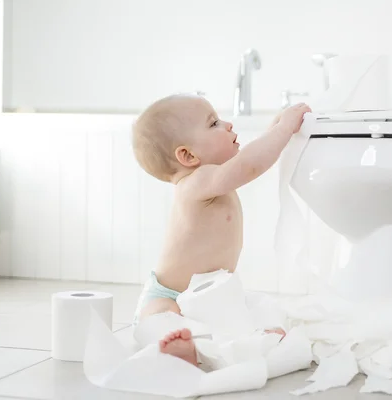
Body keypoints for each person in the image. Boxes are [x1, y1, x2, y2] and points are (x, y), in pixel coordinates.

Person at [131, 93, 311, 365]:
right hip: (171, 296)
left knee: (255, 305)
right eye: (214, 123)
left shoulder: (213, 178)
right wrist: (284, 130)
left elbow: (251, 158)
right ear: (188, 155)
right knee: (156, 319)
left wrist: (275, 131)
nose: (227, 125)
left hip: (213, 295)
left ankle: (243, 335)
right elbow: (249, 165)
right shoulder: (196, 182)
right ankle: (175, 345)